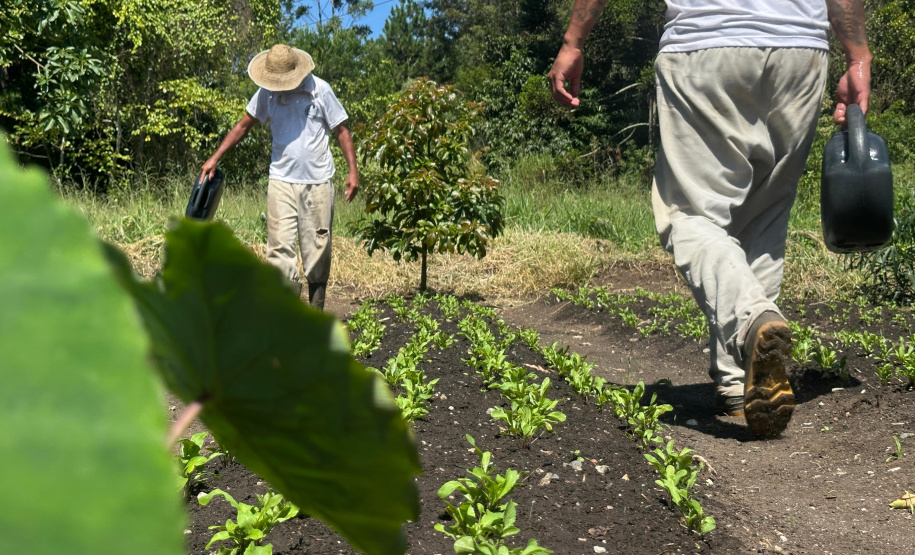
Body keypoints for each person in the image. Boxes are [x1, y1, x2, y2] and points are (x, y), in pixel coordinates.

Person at [548, 0, 871, 438]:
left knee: (689, 215)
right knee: (763, 219)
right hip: (800, 52)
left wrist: (573, 42)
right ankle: (739, 382)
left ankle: (750, 320)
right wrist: (857, 56)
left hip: (705, 43)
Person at [200, 44, 359, 310]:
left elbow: (341, 130)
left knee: (318, 248)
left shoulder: (320, 90)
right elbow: (243, 125)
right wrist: (215, 157)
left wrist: (353, 171)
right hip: (281, 181)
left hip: (317, 182)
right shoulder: (267, 93)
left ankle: (315, 313)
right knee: (278, 249)